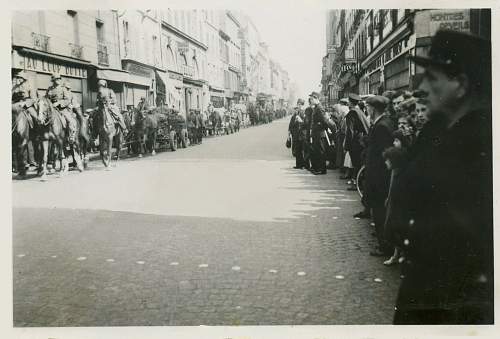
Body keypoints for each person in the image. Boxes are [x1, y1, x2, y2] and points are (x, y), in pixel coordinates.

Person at [394, 30, 493, 324]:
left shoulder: (472, 147)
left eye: (432, 78)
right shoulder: (445, 133)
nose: (421, 87)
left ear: (460, 85)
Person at [362, 95, 395, 257]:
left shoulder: (381, 126)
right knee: (380, 211)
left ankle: (384, 247)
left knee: (380, 212)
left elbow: (383, 155)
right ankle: (385, 242)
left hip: (379, 178)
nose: (366, 110)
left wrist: (376, 179)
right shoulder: (383, 123)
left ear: (373, 109)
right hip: (379, 176)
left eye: (368, 107)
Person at [344, 93, 370, 188]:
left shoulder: (351, 113)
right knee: (359, 162)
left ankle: (357, 184)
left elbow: (349, 131)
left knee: (356, 163)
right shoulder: (360, 112)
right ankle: (357, 182)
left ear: (350, 103)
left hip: (355, 141)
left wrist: (346, 145)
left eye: (348, 101)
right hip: (361, 139)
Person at [309, 91, 336, 175]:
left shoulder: (319, 108)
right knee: (317, 150)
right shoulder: (317, 107)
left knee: (321, 151)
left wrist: (326, 128)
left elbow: (324, 120)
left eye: (312, 98)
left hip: (320, 133)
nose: (310, 100)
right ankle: (318, 168)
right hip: (317, 133)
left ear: (316, 98)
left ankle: (322, 169)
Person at [46, 72, 78, 142]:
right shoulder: (49, 89)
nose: (58, 80)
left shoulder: (63, 89)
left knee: (70, 121)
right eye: (56, 79)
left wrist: (58, 103)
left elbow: (67, 100)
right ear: (53, 80)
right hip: (51, 109)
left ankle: (71, 136)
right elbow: (46, 98)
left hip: (62, 109)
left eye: (59, 79)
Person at [288, 99, 306, 169]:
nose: (299, 106)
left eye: (300, 104)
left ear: (302, 105)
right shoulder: (296, 114)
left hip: (302, 134)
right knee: (297, 150)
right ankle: (298, 164)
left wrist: (301, 121)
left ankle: (303, 165)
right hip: (296, 134)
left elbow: (306, 123)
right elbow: (291, 124)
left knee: (302, 150)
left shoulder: (304, 112)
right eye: (298, 104)